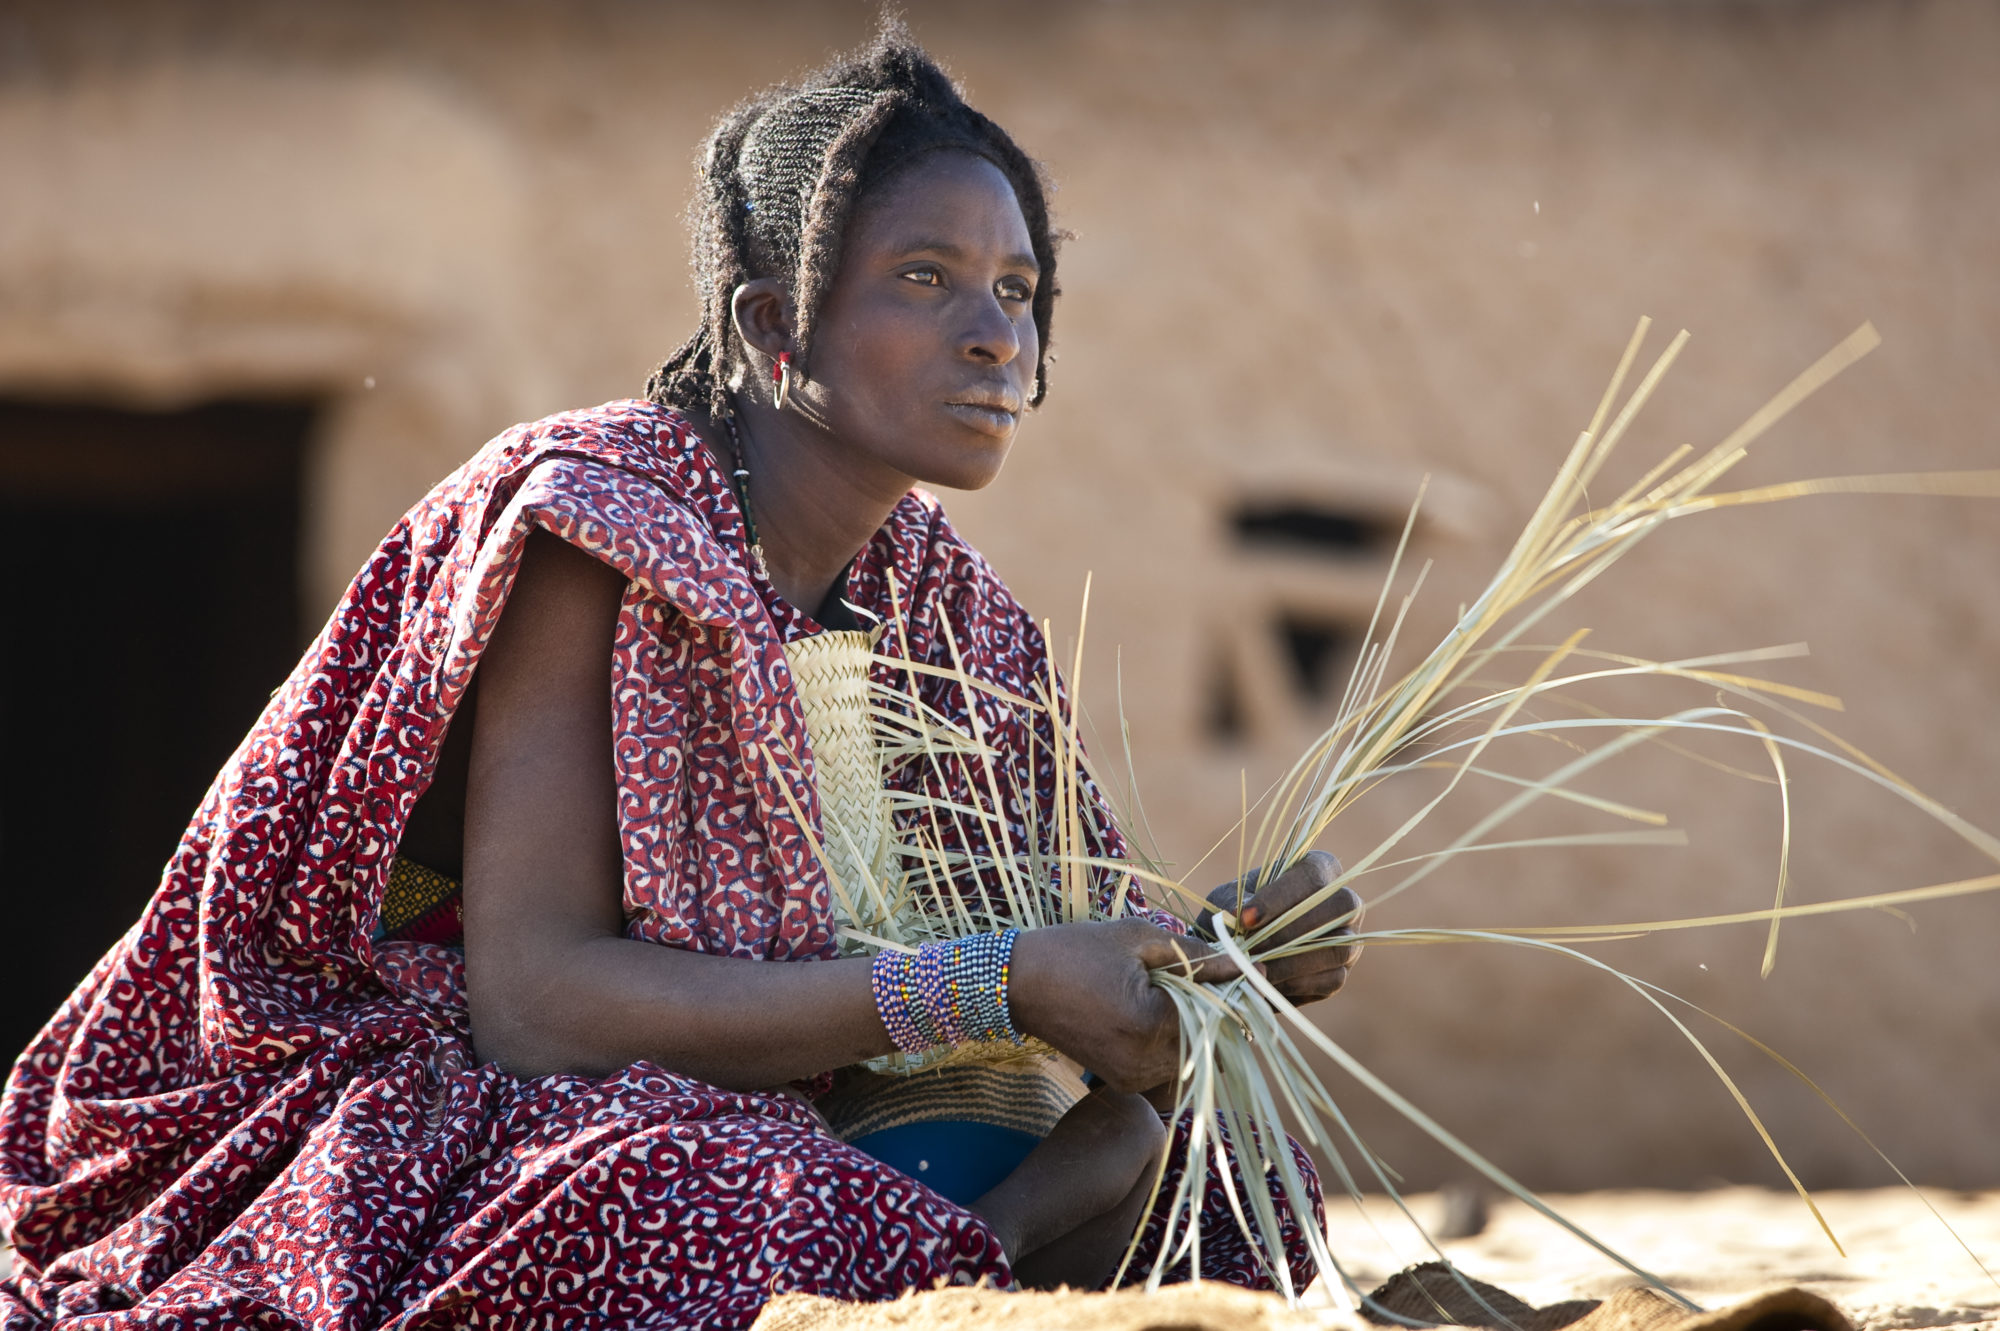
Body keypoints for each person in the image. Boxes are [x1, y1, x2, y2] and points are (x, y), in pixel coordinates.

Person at [0, 26, 1361, 1330]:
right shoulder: (606, 525)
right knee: (690, 1199)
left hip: (790, 1094)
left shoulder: (948, 609)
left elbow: (1059, 941)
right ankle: (980, 1251)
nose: (998, 336)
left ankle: (965, 1250)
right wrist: (991, 984)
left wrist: (1214, 974)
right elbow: (533, 1009)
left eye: (1018, 290)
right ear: (775, 323)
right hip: (429, 1082)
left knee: (1234, 1177)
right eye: (927, 278)